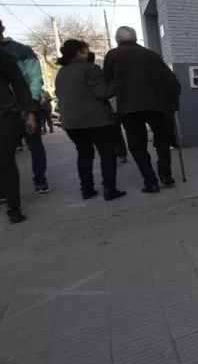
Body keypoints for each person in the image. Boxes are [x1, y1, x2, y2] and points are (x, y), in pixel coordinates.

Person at [103, 26, 181, 194]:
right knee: (162, 142)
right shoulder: (151, 55)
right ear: (136, 38)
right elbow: (172, 81)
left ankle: (150, 181)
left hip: (129, 108)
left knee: (137, 146)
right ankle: (166, 175)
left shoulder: (113, 56)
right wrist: (174, 103)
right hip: (157, 106)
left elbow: (107, 81)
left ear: (117, 39)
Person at [54, 40, 127, 202]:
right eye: (86, 50)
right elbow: (103, 92)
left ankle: (87, 189)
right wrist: (115, 82)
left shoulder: (61, 73)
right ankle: (109, 188)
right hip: (97, 120)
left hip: (72, 123)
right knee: (107, 154)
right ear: (79, 52)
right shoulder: (90, 69)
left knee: (84, 155)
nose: (88, 53)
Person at [0, 18, 49, 193]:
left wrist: (31, 105)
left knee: (15, 149)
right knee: (33, 145)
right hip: (22, 107)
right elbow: (35, 79)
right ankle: (40, 182)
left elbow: (35, 79)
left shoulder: (21, 50)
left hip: (17, 109)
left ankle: (11, 188)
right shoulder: (22, 50)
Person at [0, 46, 38, 224]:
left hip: (5, 115)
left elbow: (19, 83)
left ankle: (13, 207)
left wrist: (30, 112)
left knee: (6, 161)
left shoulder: (4, 56)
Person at [88, 51, 127, 163]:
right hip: (112, 107)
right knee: (116, 132)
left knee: (108, 134)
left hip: (105, 107)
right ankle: (121, 154)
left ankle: (115, 154)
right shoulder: (100, 73)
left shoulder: (96, 74)